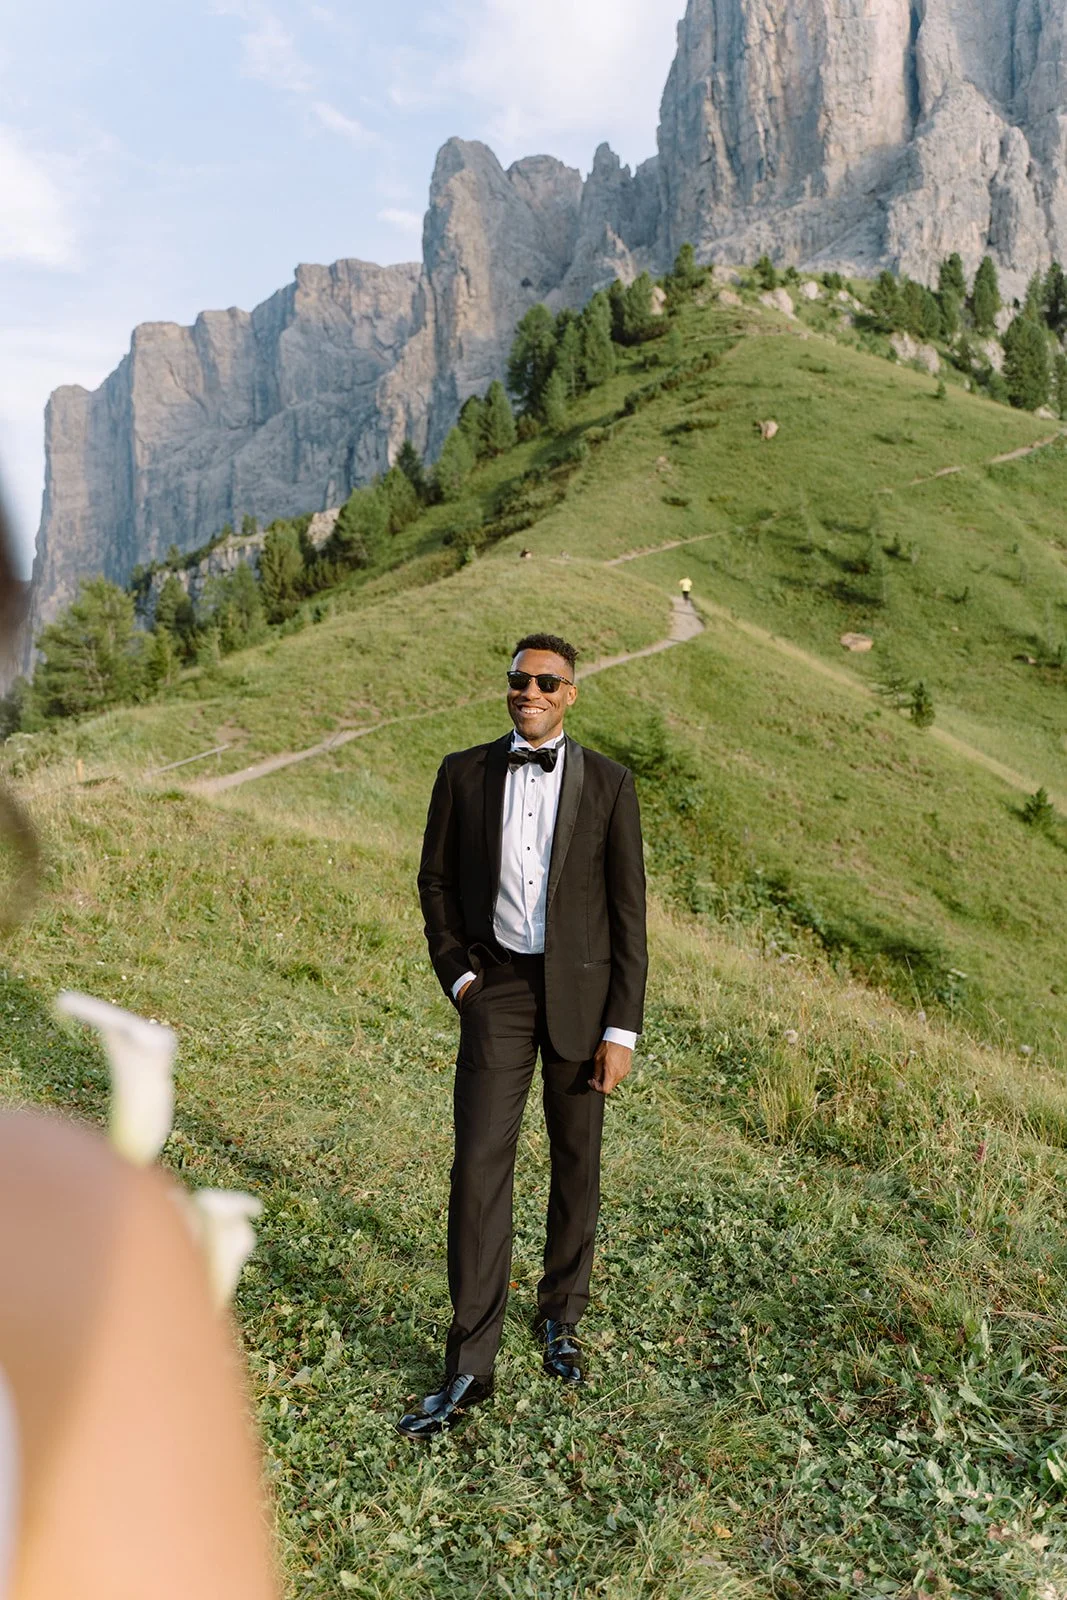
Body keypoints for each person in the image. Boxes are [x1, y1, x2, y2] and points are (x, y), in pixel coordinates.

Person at [398, 632, 648, 1439]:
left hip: (583, 998)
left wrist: (622, 1028)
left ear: (570, 694)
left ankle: (559, 1318)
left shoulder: (609, 784)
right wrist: (459, 976)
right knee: (478, 1164)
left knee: (577, 1157)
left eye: (546, 681)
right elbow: (433, 881)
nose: (529, 691)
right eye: (518, 679)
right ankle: (469, 1365)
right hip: (496, 988)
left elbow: (627, 915)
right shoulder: (462, 773)